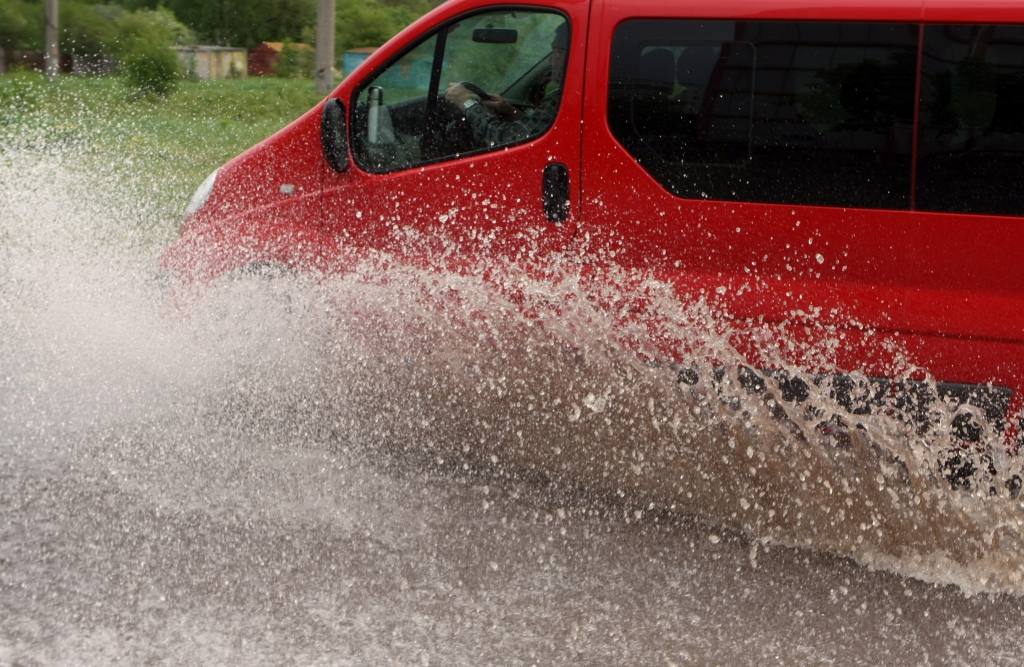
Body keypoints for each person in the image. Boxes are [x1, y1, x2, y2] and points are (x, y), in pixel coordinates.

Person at [443, 22, 568, 148]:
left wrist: (467, 104)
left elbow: (505, 139)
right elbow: (535, 128)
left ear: (574, 55)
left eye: (558, 53)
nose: (552, 60)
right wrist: (509, 111)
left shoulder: (562, 99)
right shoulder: (561, 95)